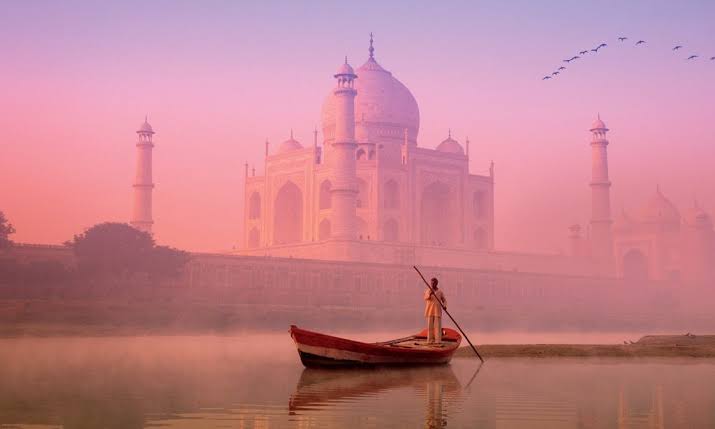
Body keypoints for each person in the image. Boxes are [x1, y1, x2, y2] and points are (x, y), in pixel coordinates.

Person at [423, 277, 447, 344]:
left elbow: (444, 300)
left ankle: (437, 341)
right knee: (430, 327)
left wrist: (444, 306)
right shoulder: (428, 291)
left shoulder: (440, 292)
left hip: (437, 311)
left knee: (437, 327)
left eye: (433, 283)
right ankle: (430, 340)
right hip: (430, 310)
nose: (432, 284)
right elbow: (425, 298)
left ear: (436, 284)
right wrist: (430, 294)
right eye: (431, 283)